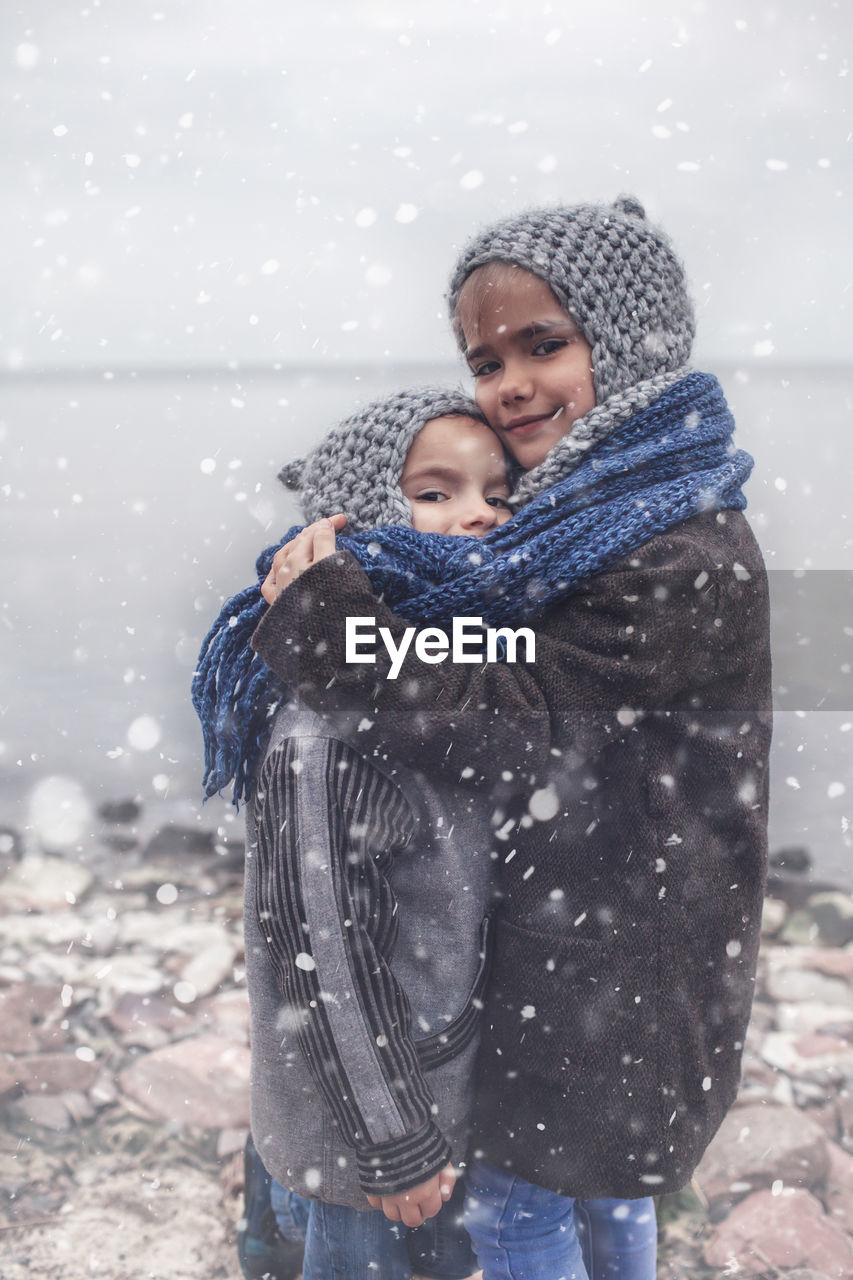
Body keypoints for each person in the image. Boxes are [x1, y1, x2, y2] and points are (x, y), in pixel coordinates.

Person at [248, 196, 773, 1280]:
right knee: (602, 1205)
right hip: (612, 959)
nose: (510, 384)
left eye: (544, 343)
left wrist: (335, 623)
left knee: (523, 1212)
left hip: (605, 982)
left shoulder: (671, 544)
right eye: (484, 359)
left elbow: (518, 721)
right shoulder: (610, 507)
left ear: (629, 345)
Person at [197, 386, 514, 1280]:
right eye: (436, 491)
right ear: (360, 517)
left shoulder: (435, 669)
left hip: (422, 1082)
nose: (477, 516)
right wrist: (393, 1140)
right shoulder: (328, 726)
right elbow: (320, 952)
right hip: (368, 1129)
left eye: (497, 494)